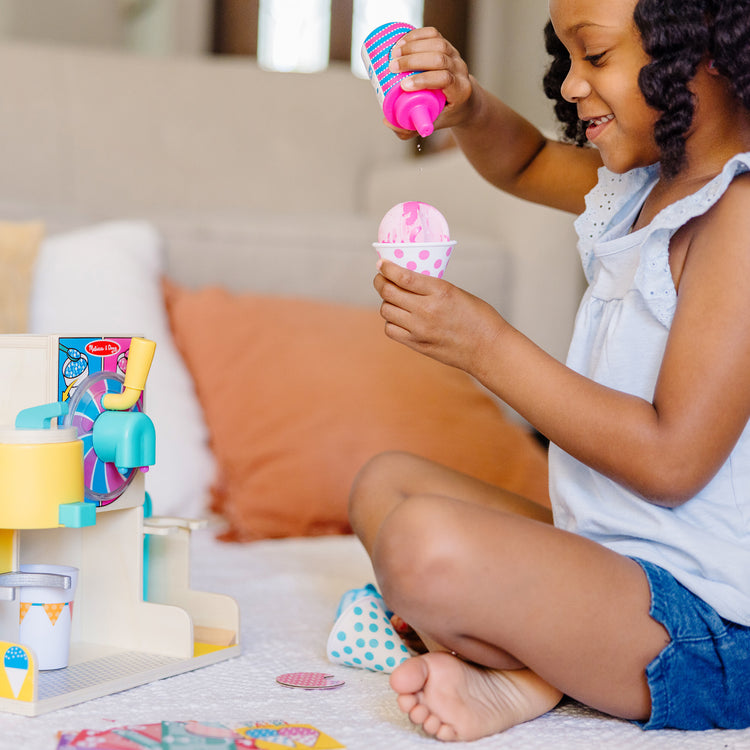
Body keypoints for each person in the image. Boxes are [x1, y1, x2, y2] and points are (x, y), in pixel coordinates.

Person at [348, 0, 750, 741]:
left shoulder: (739, 215)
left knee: (422, 548)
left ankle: (531, 673)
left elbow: (673, 461)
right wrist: (465, 103)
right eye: (565, 59)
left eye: (594, 57)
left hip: (708, 629)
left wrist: (484, 346)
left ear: (709, 53)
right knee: (386, 485)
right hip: (613, 567)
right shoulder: (644, 184)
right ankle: (538, 668)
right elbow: (527, 160)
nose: (568, 86)